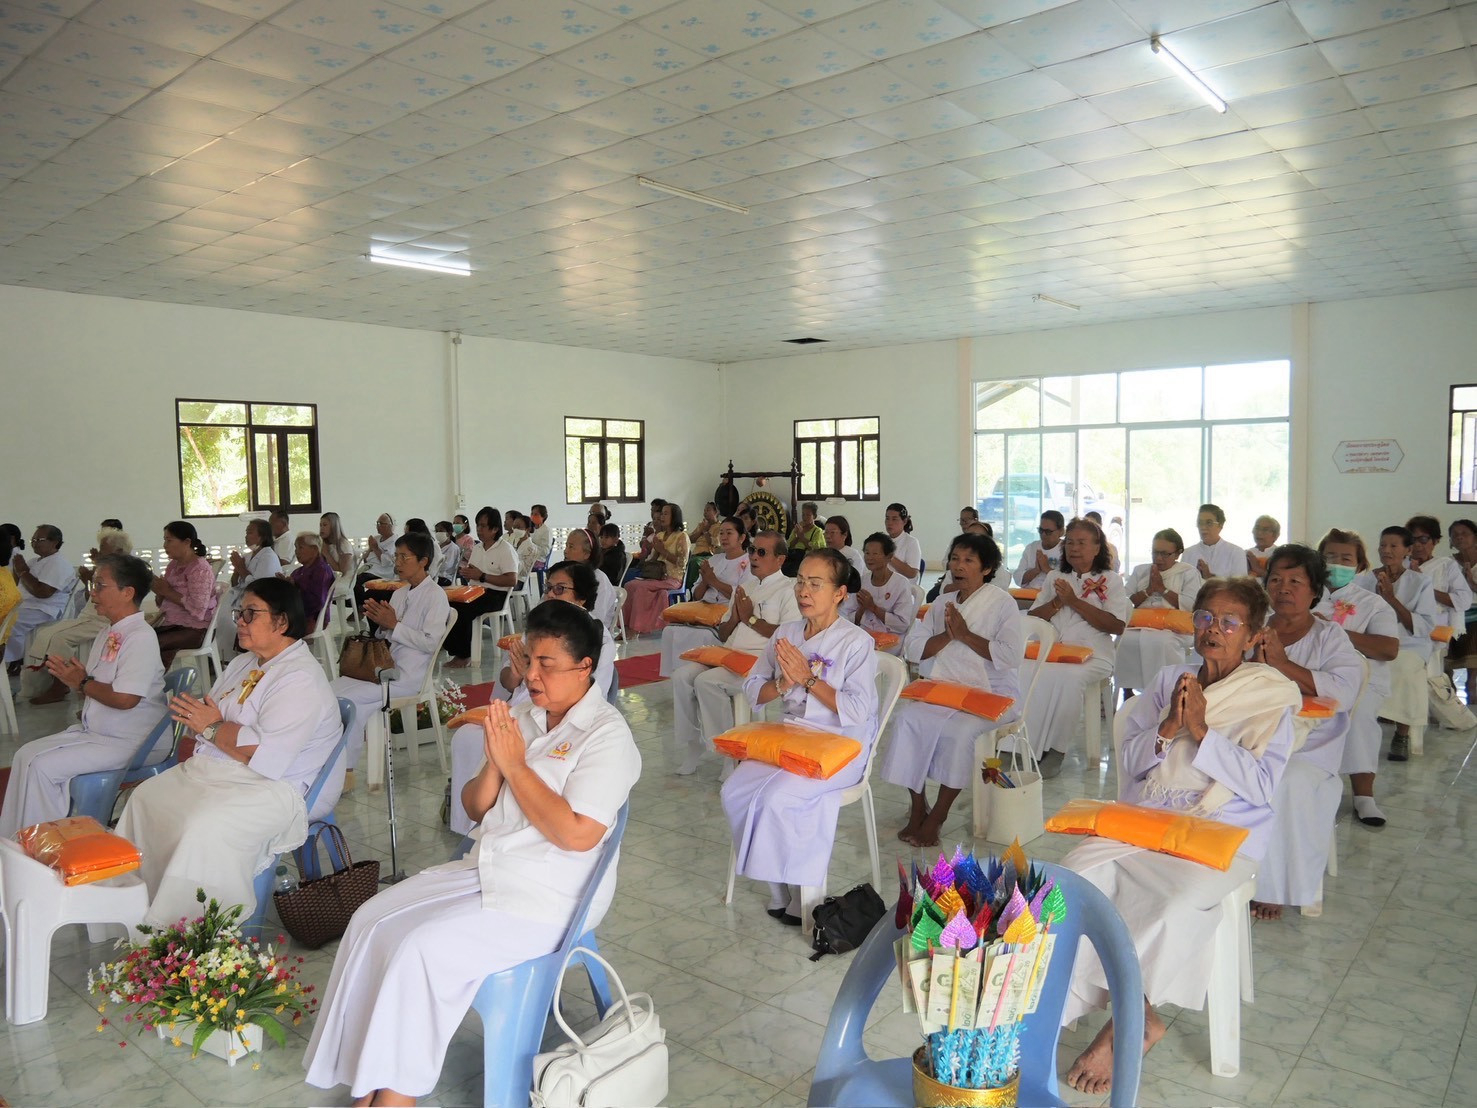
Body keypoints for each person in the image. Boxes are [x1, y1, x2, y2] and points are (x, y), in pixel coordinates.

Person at [303, 602, 640, 1105]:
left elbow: (576, 836)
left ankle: (396, 1099)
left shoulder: (607, 736)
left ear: (585, 667)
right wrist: (496, 762)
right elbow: (478, 809)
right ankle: (366, 1082)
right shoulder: (524, 716)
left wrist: (516, 765)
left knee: (421, 949)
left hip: (551, 893)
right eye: (528, 661)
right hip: (489, 866)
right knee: (371, 919)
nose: (531, 675)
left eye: (546, 664)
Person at [1060, 576, 1299, 1096]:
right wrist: (1170, 727)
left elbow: (1261, 786)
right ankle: (1137, 1012)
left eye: (1229, 622)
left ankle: (1124, 1022)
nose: (1215, 629)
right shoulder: (1172, 678)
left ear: (1253, 634)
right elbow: (1127, 760)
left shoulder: (1270, 695)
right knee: (1073, 884)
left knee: (1170, 908)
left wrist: (1206, 730)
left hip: (1220, 834)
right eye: (1206, 618)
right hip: (1147, 823)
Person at [115, 578, 342, 928]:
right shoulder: (244, 663)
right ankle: (134, 910)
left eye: (251, 614)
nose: (240, 621)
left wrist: (209, 727)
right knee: (146, 798)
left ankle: (190, 930)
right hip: (225, 770)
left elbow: (265, 755)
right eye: (240, 613)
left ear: (281, 622)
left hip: (279, 785)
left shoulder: (300, 678)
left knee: (201, 826)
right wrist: (203, 720)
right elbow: (215, 715)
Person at [722, 548, 879, 925]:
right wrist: (782, 682)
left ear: (839, 593)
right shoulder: (786, 633)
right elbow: (753, 690)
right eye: (800, 581)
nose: (803, 591)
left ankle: (801, 896)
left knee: (778, 796)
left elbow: (856, 711)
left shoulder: (856, 642)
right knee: (735, 790)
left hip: (842, 744)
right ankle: (780, 889)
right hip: (793, 737)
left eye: (815, 583)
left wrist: (809, 679)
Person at [447, 561, 619, 834]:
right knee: (466, 737)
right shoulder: (535, 632)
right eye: (548, 588)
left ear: (582, 597)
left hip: (558, 716)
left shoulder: (597, 639)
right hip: (523, 710)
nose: (551, 594)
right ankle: (469, 827)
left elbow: (592, 692)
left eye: (560, 589)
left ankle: (504, 815)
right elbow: (506, 682)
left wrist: (532, 676)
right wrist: (517, 675)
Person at [0, 554, 166, 837]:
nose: (93, 592)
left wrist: (83, 683)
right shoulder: (110, 632)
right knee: (25, 754)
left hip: (133, 740)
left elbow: (126, 699)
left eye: (100, 585)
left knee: (42, 767)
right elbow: (97, 685)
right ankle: (14, 842)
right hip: (104, 733)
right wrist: (76, 681)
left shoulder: (140, 637)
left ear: (128, 593)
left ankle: (46, 846)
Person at [880, 532, 1022, 847]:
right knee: (907, 718)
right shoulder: (943, 602)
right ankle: (918, 806)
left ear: (986, 569)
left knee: (960, 732)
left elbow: (1010, 656)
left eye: (968, 560)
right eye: (955, 559)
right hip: (945, 686)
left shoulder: (1002, 604)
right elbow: (914, 648)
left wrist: (966, 635)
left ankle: (938, 816)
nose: (958, 566)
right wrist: (948, 635)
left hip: (992, 693)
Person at [1247, 545, 1364, 920]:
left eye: (1295, 581)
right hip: (1252, 734)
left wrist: (1283, 664)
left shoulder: (1330, 637)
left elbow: (1343, 691)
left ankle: (1275, 886)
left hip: (1310, 749)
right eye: (1276, 580)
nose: (1284, 588)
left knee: (1287, 780)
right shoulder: (1252, 628)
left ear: (1315, 591)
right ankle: (1224, 872)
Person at [669, 531, 800, 776]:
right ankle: (693, 744)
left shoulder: (788, 589)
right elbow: (724, 631)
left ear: (780, 559)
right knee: (682, 676)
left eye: (762, 552)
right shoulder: (745, 586)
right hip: (730, 654)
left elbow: (786, 636)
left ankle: (730, 754)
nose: (754, 556)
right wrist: (739, 616)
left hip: (761, 662)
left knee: (707, 681)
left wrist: (749, 617)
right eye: (752, 550)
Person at [331, 532, 451, 788]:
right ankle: (330, 762)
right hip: (387, 667)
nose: (397, 562)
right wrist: (381, 624)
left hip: (409, 676)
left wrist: (394, 625)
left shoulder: (435, 596)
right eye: (396, 556)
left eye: (403, 557)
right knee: (332, 689)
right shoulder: (400, 593)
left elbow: (431, 643)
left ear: (423, 561)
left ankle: (345, 772)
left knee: (351, 701)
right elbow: (389, 636)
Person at [1023, 518, 1129, 778]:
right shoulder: (1055, 577)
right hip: (1051, 650)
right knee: (1023, 670)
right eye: (1069, 542)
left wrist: (1074, 601)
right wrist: (1058, 603)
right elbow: (1034, 617)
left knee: (1069, 677)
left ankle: (1055, 750)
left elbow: (1116, 626)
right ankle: (1020, 746)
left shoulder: (1111, 580)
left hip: (1095, 655)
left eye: (1081, 542)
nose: (1074, 548)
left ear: (1097, 548)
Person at [1314, 528, 1400, 827]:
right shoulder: (1305, 597)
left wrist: (1334, 632)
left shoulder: (1373, 604)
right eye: (1330, 557)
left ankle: (1364, 796)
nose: (1337, 564)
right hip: (1310, 675)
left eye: (1346, 558)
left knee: (1358, 715)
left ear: (1360, 564)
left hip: (1361, 682)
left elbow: (1388, 648)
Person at [20, 527, 133, 703]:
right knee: (46, 634)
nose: (99, 551)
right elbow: (89, 599)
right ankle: (48, 681)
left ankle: (61, 685)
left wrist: (92, 579)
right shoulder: (105, 568)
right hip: (91, 616)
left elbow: (113, 601)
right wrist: (89, 580)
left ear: (118, 551)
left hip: (107, 619)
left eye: (103, 548)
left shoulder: (126, 570)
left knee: (60, 638)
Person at [1355, 525, 1438, 762]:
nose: (1386, 550)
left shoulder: (1421, 582)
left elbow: (1422, 626)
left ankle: (1402, 733)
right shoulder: (1364, 579)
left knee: (1404, 668)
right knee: (1356, 667)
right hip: (1373, 642)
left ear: (1408, 550)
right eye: (1383, 545)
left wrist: (1390, 598)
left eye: (1393, 546)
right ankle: (1360, 726)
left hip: (1409, 644)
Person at [657, 516, 750, 676]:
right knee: (669, 631)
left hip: (727, 613)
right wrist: (705, 582)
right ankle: (678, 674)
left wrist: (713, 581)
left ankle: (701, 673)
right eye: (721, 533)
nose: (724, 537)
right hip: (704, 610)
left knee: (705, 635)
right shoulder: (714, 560)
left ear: (742, 537)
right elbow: (696, 594)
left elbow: (742, 595)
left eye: (729, 533)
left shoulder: (749, 563)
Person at [1114, 529, 1198, 695]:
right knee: (1124, 641)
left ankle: (1167, 692)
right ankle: (1127, 690)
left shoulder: (1188, 573)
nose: (1158, 558)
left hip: (1172, 629)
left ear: (1177, 554)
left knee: (1163, 642)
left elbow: (1191, 604)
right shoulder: (1141, 571)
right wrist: (1148, 591)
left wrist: (1163, 590)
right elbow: (1123, 601)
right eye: (1155, 552)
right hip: (1139, 625)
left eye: (1164, 554)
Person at [445, 507, 517, 668]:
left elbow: (512, 580)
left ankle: (464, 655)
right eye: (478, 525)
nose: (479, 530)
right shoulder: (477, 548)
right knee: (447, 605)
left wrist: (482, 576)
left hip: (496, 594)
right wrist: (468, 573)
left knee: (464, 610)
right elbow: (474, 572)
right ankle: (454, 650)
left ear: (495, 529)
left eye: (484, 526)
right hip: (476, 590)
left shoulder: (505, 549)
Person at [4, 524, 76, 671]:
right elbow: (17, 585)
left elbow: (43, 592)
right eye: (33, 540)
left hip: (43, 609)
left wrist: (23, 571)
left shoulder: (59, 563)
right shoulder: (33, 561)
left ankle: (14, 659)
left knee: (6, 623)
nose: (34, 543)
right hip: (26, 606)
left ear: (55, 542)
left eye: (39, 539)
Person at [150, 521, 219, 669]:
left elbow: (199, 608)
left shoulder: (200, 569)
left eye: (169, 540)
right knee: (139, 638)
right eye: (164, 540)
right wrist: (159, 592)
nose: (165, 545)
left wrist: (167, 591)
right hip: (173, 625)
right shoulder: (172, 566)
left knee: (149, 644)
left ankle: (151, 685)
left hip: (196, 630)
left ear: (187, 542)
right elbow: (164, 602)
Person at [622, 501, 690, 634]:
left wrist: (662, 550)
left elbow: (682, 563)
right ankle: (625, 626)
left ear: (674, 517)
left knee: (641, 588)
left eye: (665, 514)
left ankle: (636, 628)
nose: (662, 517)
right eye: (661, 514)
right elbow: (653, 560)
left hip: (673, 578)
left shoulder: (682, 536)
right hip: (657, 577)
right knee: (630, 585)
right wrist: (651, 550)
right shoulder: (659, 536)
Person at [218, 519, 282, 655]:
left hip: (259, 603)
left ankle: (233, 655)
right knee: (219, 614)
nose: (246, 536)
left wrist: (241, 568)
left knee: (227, 619)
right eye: (246, 532)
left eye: (250, 532)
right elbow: (235, 583)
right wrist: (236, 568)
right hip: (240, 601)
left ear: (262, 536)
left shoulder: (268, 557)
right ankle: (224, 657)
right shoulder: (247, 556)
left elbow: (259, 586)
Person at [1406, 513, 1472, 638]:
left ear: (1436, 541)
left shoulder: (1446, 565)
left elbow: (1464, 600)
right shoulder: (1400, 565)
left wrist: (1423, 585)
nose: (1417, 545)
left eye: (1423, 539)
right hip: (1405, 627)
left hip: (1437, 630)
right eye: (1412, 540)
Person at [854, 532, 919, 652]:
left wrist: (873, 608)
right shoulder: (862, 581)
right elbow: (853, 620)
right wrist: (862, 608)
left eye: (875, 553)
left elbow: (902, 624)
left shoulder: (900, 583)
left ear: (889, 557)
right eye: (867, 553)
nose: (869, 557)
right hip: (864, 635)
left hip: (892, 639)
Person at [1445, 518, 1477, 702]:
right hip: (1453, 616)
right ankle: (1450, 706)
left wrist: (1472, 583)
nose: (1459, 538)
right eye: (1455, 535)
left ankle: (1472, 697)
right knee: (1446, 667)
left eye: (1464, 533)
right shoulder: (1447, 564)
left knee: (1473, 675)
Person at [562, 527, 616, 629]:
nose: (565, 551)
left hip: (588, 635)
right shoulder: (563, 574)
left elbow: (595, 619)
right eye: (566, 546)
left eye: (571, 547)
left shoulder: (599, 580)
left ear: (586, 554)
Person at [1182, 503, 1245, 580]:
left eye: (1209, 523)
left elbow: (1241, 587)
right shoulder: (1188, 553)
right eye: (1200, 523)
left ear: (1220, 525)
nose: (1203, 527)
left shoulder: (1236, 552)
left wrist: (1210, 577)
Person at [289, 532, 336, 630]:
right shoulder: (298, 572)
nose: (296, 552)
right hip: (296, 615)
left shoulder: (322, 570)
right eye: (296, 548)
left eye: (300, 548)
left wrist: (294, 589)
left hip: (311, 619)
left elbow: (317, 602)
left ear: (314, 549)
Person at [1012, 511, 1065, 587]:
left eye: (1048, 532)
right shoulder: (1031, 548)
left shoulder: (1067, 550)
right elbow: (1017, 578)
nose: (1043, 534)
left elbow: (1069, 582)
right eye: (1041, 530)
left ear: (1061, 532)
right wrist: (1036, 570)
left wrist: (1047, 569)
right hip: (1029, 595)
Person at [883, 502, 922, 580]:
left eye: (894, 519)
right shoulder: (882, 541)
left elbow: (912, 573)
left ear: (904, 521)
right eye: (887, 518)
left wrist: (890, 556)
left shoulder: (911, 542)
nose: (889, 523)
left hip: (904, 587)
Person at [319, 512, 356, 577]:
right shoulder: (324, 544)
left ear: (334, 526)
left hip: (341, 581)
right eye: (320, 525)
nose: (321, 528)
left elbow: (342, 573)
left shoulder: (344, 544)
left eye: (325, 525)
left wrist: (326, 554)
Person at [433, 521, 461, 585]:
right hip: (434, 575)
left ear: (449, 533)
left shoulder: (453, 548)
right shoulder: (436, 545)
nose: (438, 533)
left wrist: (433, 564)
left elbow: (447, 566)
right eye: (436, 531)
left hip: (445, 577)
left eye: (441, 531)